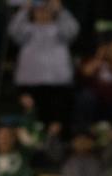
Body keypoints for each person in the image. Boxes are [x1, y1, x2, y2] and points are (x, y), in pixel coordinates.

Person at [8, 0, 79, 130]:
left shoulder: (59, 30)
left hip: (57, 85)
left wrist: (60, 10)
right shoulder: (27, 30)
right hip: (30, 84)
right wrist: (24, 10)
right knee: (33, 125)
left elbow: (73, 30)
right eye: (39, 9)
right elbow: (13, 31)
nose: (42, 12)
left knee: (56, 125)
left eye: (46, 9)